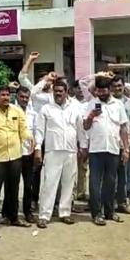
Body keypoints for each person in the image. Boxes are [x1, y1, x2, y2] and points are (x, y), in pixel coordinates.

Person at [35, 81, 87, 228]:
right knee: (49, 183)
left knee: (69, 183)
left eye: (61, 91)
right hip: (53, 151)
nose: (58, 93)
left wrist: (83, 146)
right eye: (56, 91)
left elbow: (80, 129)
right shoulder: (46, 109)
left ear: (66, 92)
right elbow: (39, 130)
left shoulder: (75, 108)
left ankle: (65, 212)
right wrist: (38, 148)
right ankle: (44, 215)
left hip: (71, 151)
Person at [0, 85, 33, 230]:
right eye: (3, 95)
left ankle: (14, 217)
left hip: (15, 156)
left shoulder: (16, 111)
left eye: (8, 95)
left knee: (14, 188)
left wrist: (29, 139)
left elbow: (23, 129)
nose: (6, 97)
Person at [84, 76, 129, 226]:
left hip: (113, 149)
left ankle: (110, 212)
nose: (101, 94)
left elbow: (123, 127)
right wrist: (91, 116)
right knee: (95, 183)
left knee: (111, 182)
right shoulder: (92, 103)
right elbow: (85, 126)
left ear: (109, 90)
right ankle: (96, 214)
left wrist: (126, 148)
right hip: (96, 150)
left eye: (104, 91)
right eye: (98, 91)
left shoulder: (118, 104)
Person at [111, 75, 130, 214]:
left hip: (124, 145)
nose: (117, 88)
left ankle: (122, 203)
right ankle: (110, 204)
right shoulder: (107, 102)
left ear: (123, 86)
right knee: (110, 177)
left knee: (124, 176)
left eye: (119, 86)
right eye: (114, 86)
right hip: (111, 144)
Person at [14, 86, 38, 223]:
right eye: (21, 96)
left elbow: (35, 132)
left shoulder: (33, 113)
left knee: (28, 185)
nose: (24, 99)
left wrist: (37, 150)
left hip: (28, 153)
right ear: (16, 96)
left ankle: (28, 212)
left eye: (26, 97)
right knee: (13, 185)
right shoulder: (11, 109)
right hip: (13, 152)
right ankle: (10, 213)